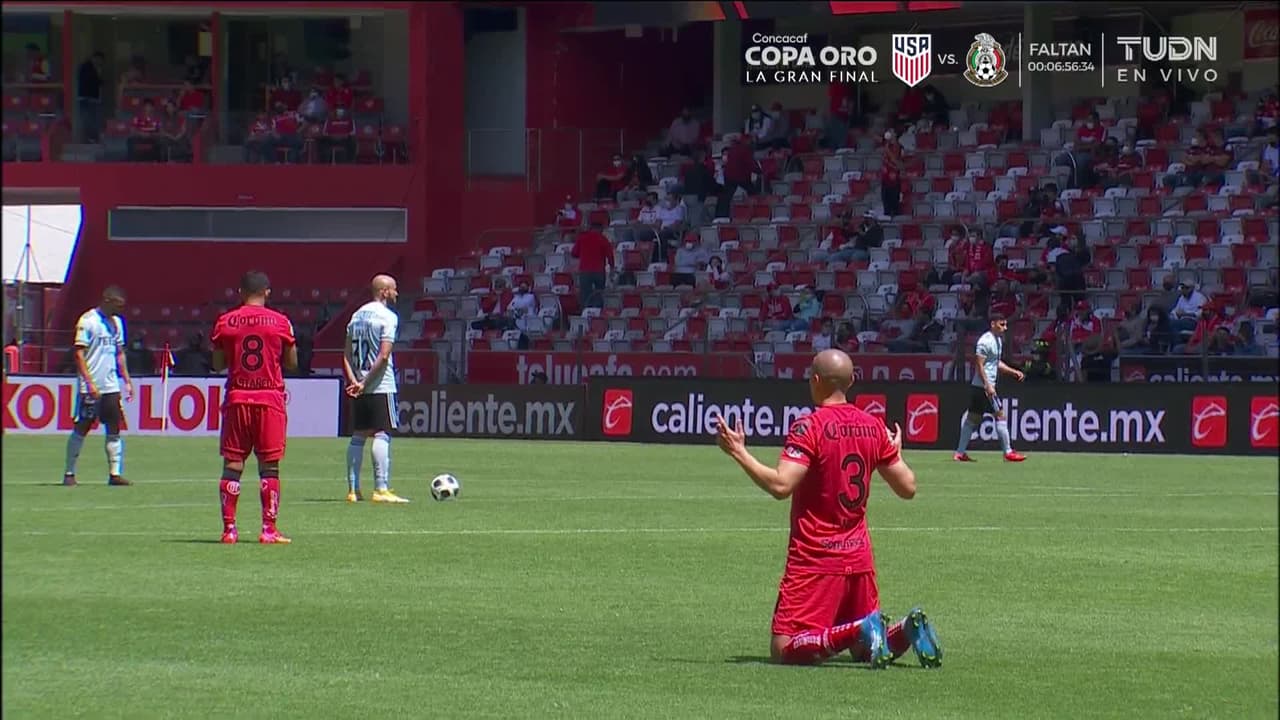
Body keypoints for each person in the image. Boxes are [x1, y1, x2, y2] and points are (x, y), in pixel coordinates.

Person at [713, 349, 942, 668]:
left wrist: (739, 452)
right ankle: (904, 629)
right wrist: (896, 455)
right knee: (864, 651)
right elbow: (908, 488)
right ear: (852, 381)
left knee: (784, 648)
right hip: (859, 558)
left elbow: (781, 485)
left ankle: (860, 628)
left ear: (816, 380)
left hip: (815, 557)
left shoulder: (810, 426)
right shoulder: (874, 426)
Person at [210, 271, 298, 544]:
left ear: (240, 292)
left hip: (238, 397)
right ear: (267, 292)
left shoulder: (226, 321)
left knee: (233, 464)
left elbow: (217, 364)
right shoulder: (281, 322)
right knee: (269, 466)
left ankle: (229, 530)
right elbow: (292, 363)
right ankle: (268, 530)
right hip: (269, 399)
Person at [343, 275, 409, 504]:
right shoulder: (388, 316)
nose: (396, 293)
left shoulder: (356, 315)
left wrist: (355, 380)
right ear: (384, 292)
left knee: (358, 435)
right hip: (380, 383)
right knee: (382, 433)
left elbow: (346, 354)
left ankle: (353, 490)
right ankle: (381, 488)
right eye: (394, 289)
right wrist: (365, 382)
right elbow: (384, 354)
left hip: (358, 383)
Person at [63, 286, 134, 487]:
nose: (120, 310)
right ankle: (69, 473)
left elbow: (119, 353)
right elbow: (79, 354)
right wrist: (89, 382)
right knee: (82, 427)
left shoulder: (117, 323)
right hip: (91, 385)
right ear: (107, 300)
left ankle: (115, 473)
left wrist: (127, 379)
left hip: (111, 385)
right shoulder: (88, 321)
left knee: (114, 427)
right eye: (118, 305)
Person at [954, 315, 1027, 463]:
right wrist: (988, 385)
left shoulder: (998, 340)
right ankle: (1008, 452)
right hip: (984, 387)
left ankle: (960, 453)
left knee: (972, 419)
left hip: (978, 387)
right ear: (993, 324)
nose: (1005, 328)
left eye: (1005, 325)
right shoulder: (984, 341)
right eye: (1002, 324)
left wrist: (1013, 372)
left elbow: (995, 363)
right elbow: (979, 365)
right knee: (1000, 416)